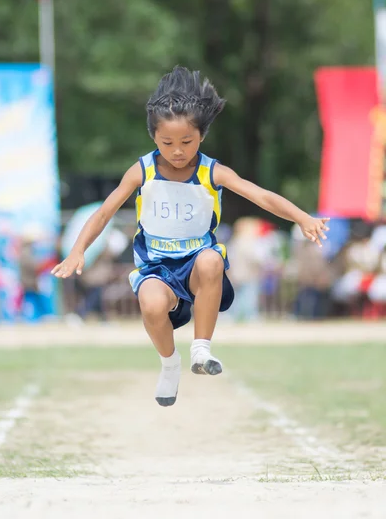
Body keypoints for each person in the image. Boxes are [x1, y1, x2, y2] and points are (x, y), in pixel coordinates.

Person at [51, 66, 330, 407]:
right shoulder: (142, 170)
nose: (178, 150)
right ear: (154, 137)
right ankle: (170, 363)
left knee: (212, 257)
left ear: (201, 137)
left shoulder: (211, 171)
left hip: (198, 269)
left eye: (187, 142)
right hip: (157, 269)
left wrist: (302, 217)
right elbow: (105, 212)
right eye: (168, 143)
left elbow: (260, 195)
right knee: (151, 305)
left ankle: (201, 349)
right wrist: (79, 249)